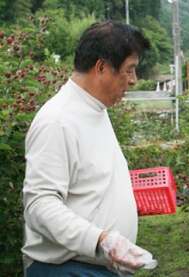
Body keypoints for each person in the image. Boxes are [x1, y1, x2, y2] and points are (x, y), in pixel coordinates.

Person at [22, 21, 157, 276]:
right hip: (67, 270)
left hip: (95, 267)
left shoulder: (94, 109)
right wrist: (100, 239)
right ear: (102, 67)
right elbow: (40, 204)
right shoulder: (57, 121)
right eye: (129, 70)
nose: (133, 80)